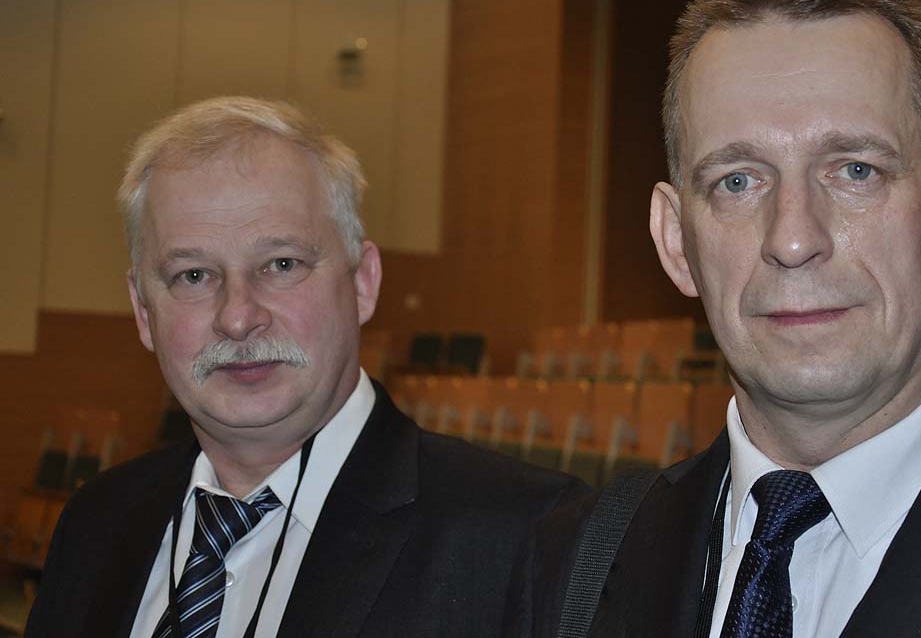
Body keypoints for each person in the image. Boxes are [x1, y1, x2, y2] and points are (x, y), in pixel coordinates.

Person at [505, 0, 921, 638]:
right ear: (676, 242)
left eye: (856, 170)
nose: (794, 238)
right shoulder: (575, 562)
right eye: (738, 181)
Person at [26, 96, 583, 638]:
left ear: (362, 282)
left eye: (281, 264)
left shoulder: (530, 536)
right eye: (193, 276)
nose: (238, 318)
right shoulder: (95, 523)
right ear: (143, 311)